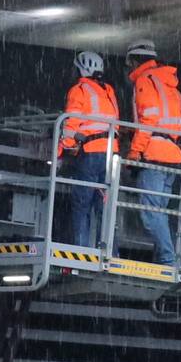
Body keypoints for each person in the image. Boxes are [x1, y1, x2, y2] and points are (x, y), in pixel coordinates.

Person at [122, 40, 181, 266]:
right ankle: (165, 259)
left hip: (154, 155)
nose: (128, 67)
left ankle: (168, 259)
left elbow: (148, 120)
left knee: (150, 214)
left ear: (135, 60)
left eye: (129, 62)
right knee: (159, 211)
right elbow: (167, 123)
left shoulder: (144, 81)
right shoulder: (169, 84)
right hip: (172, 156)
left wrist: (134, 153)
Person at [54, 50, 116, 250]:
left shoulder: (79, 90)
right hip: (110, 155)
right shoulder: (109, 91)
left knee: (82, 205)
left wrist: (61, 150)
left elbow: (71, 124)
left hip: (90, 154)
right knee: (104, 206)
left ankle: (80, 252)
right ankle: (108, 252)